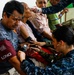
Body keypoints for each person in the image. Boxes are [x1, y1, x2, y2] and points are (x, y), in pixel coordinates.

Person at [0, 1, 26, 75]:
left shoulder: (11, 29)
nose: (17, 23)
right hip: (6, 71)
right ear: (5, 15)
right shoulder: (1, 35)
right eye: (14, 19)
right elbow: (14, 62)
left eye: (19, 20)